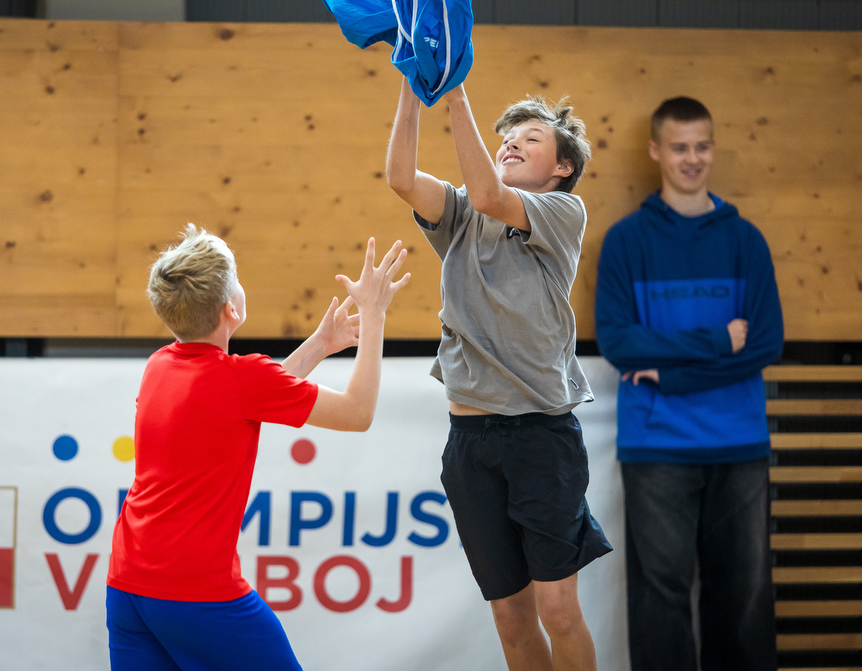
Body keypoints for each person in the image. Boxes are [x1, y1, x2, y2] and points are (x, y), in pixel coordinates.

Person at [105, 224, 410, 671]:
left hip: (127, 586)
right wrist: (375, 313)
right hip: (196, 593)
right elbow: (357, 412)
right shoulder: (242, 378)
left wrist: (320, 345)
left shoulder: (160, 366)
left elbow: (249, 400)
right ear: (231, 308)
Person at [386, 76, 611, 670]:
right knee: (511, 618)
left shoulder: (563, 210)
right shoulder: (461, 209)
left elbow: (489, 194)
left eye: (529, 139)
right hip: (470, 440)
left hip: (541, 435)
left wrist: (455, 93)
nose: (511, 143)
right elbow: (401, 179)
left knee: (558, 610)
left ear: (562, 167)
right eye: (506, 137)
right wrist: (412, 86)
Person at [595, 96, 783, 671]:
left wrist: (671, 376)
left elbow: (765, 344)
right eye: (680, 147)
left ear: (713, 148)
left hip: (739, 442)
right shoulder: (626, 241)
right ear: (656, 151)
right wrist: (717, 341)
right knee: (660, 598)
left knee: (743, 599)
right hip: (657, 445)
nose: (692, 158)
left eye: (702, 146)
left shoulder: (746, 240)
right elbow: (619, 342)